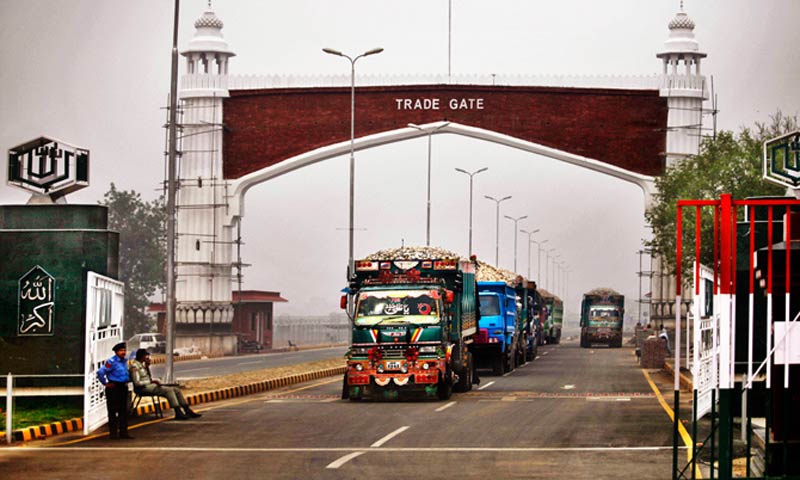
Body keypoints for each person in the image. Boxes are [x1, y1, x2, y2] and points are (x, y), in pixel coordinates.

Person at [129, 349, 201, 420]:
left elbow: (148, 377)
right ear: (142, 356)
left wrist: (147, 367)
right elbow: (137, 383)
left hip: (149, 386)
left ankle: (187, 409)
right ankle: (177, 411)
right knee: (168, 390)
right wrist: (151, 382)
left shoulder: (142, 365)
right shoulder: (135, 366)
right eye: (146, 356)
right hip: (142, 388)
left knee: (176, 390)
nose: (147, 358)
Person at [96, 342, 133, 439]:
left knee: (123, 411)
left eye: (124, 350)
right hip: (114, 387)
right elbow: (100, 372)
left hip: (123, 387)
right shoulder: (111, 362)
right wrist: (105, 383)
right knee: (112, 411)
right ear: (116, 352)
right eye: (121, 350)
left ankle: (123, 432)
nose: (123, 352)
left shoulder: (124, 361)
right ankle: (113, 433)